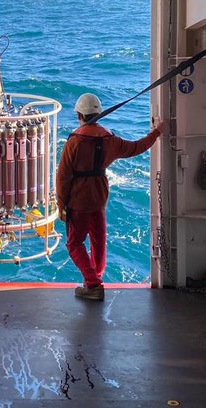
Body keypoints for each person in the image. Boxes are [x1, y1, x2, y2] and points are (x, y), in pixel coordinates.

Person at [56, 93, 166, 300]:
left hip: (78, 200)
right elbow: (137, 147)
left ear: (79, 114)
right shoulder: (110, 140)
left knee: (74, 244)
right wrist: (157, 132)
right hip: (99, 198)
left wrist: (61, 205)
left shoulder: (74, 141)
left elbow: (63, 177)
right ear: (98, 113)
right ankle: (96, 277)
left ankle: (93, 284)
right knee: (99, 242)